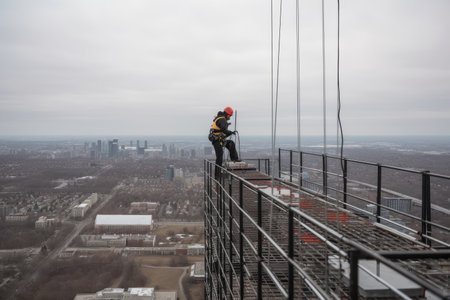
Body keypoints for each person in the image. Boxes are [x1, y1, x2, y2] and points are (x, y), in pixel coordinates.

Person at [208, 107, 240, 175]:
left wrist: (229, 133)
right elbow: (223, 130)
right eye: (229, 115)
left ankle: (235, 159)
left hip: (220, 139)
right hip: (216, 140)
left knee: (231, 144)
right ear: (226, 114)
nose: (229, 117)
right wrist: (230, 132)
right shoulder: (222, 119)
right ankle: (217, 173)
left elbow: (222, 132)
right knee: (219, 156)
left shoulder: (222, 119)